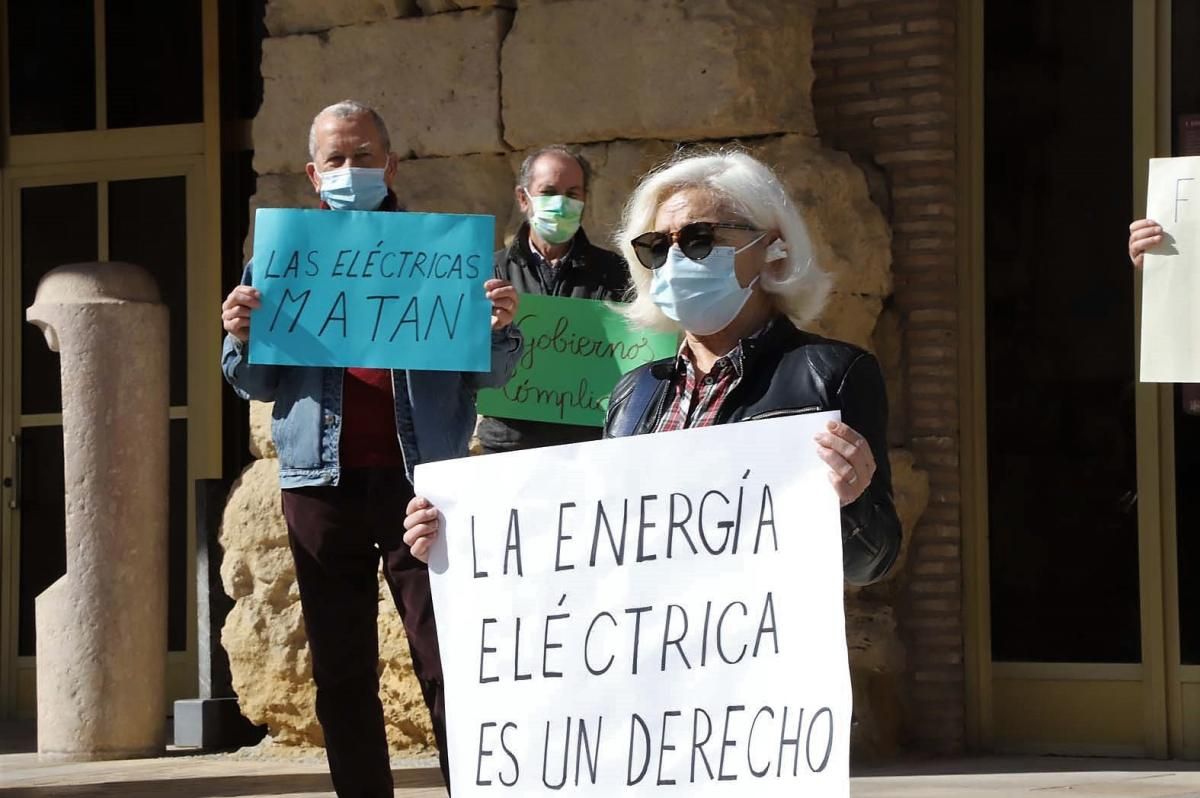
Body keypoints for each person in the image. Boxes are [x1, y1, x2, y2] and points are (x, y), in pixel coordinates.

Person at [404, 151, 901, 587]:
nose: (677, 258)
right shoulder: (634, 392)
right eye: (658, 246)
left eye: (701, 238)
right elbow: (599, 544)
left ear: (772, 249)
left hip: (752, 671)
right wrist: (461, 542)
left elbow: (870, 564)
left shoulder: (828, 375)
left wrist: (850, 504)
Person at [220, 99, 522, 797]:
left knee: (444, 657)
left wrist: (501, 327)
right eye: (336, 160)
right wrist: (238, 336)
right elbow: (255, 383)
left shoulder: (439, 251)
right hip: (318, 485)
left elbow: (492, 373)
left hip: (423, 488)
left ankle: (472, 787)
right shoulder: (278, 260)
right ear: (312, 173)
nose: (350, 170)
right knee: (342, 669)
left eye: (363, 156)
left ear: (389, 164)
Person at [476, 145, 629, 454]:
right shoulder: (488, 272)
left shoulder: (616, 273)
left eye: (573, 194)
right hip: (507, 447)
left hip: (588, 447)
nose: (561, 203)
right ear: (523, 198)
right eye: (548, 192)